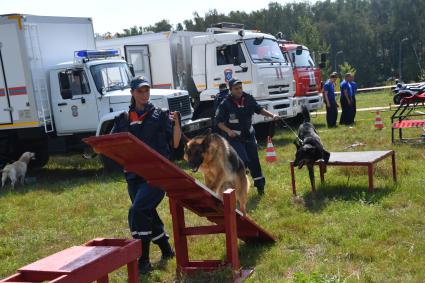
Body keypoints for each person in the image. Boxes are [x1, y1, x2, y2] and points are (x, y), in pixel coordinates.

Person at [112, 76, 181, 274]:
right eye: (140, 91)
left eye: (147, 90)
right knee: (146, 212)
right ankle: (167, 250)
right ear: (132, 93)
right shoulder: (124, 119)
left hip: (157, 175)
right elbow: (115, 145)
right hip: (133, 177)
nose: (144, 94)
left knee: (137, 211)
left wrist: (177, 124)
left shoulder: (160, 115)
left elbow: (175, 145)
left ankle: (142, 260)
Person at [216, 78, 279, 195]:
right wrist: (228, 131)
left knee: (254, 161)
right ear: (231, 90)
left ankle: (260, 186)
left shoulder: (248, 98)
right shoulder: (225, 103)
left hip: (249, 135)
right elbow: (218, 122)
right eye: (236, 89)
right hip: (235, 138)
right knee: (243, 160)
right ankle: (236, 187)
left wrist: (272, 115)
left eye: (240, 88)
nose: (239, 91)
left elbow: (259, 109)